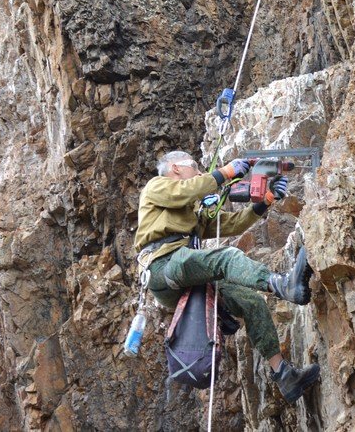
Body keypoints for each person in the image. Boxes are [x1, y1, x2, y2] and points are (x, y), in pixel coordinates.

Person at [134, 150, 319, 403]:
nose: (199, 172)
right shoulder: (157, 187)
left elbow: (232, 223)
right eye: (194, 167)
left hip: (182, 271)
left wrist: (265, 201)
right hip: (161, 264)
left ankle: (284, 374)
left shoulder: (189, 212)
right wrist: (226, 172)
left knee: (250, 302)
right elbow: (188, 190)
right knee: (225, 257)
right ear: (175, 168)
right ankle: (284, 285)